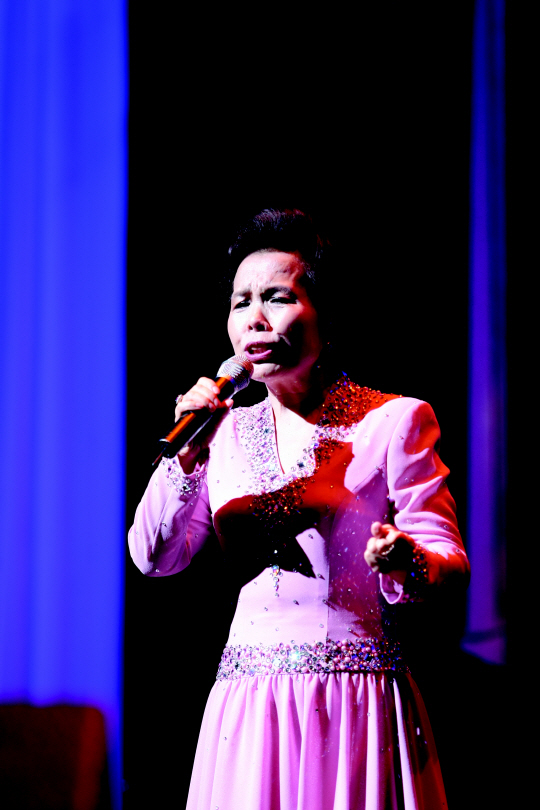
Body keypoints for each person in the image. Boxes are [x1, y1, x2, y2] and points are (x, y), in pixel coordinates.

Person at [128, 208, 470, 809]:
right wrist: (185, 456)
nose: (254, 318)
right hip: (249, 704)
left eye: (277, 297)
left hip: (355, 702)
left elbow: (451, 563)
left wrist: (405, 558)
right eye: (240, 302)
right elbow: (154, 558)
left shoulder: (394, 420)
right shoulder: (220, 432)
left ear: (325, 313)